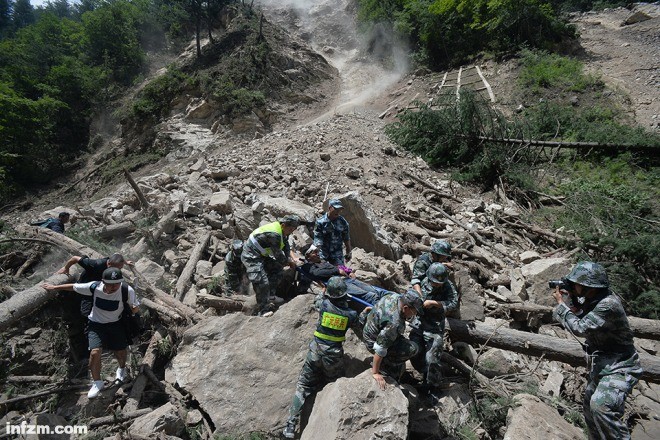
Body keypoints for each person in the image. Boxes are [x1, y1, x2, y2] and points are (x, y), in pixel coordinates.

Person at [552, 261, 642, 440]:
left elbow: (580, 328)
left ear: (588, 287)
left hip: (620, 367)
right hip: (602, 366)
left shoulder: (607, 304)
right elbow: (581, 317)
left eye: (576, 284)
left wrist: (562, 305)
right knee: (590, 411)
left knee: (601, 406)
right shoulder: (594, 300)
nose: (573, 286)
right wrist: (572, 303)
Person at [42, 267, 140, 399]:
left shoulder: (126, 290)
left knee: (120, 351)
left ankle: (121, 369)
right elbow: (74, 287)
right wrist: (54, 287)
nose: (113, 287)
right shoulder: (95, 287)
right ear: (103, 282)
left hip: (116, 324)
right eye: (110, 284)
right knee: (94, 353)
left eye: (116, 283)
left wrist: (134, 309)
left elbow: (135, 307)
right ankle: (97, 382)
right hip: (96, 324)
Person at [282, 277, 361, 439]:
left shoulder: (323, 305)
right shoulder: (350, 314)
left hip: (315, 352)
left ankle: (290, 425)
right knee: (333, 386)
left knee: (303, 386)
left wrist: (325, 293)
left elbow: (318, 299)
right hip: (333, 358)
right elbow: (358, 325)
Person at [55, 253, 132, 362]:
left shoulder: (115, 263)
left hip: (102, 291)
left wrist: (126, 262)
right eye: (116, 268)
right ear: (109, 264)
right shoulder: (95, 264)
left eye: (120, 268)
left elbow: (118, 257)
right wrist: (66, 268)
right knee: (86, 316)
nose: (118, 271)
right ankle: (88, 346)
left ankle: (106, 341)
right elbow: (75, 258)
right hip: (87, 291)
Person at [410, 263, 458, 397]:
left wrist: (434, 303)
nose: (436, 285)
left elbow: (453, 303)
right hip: (419, 323)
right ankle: (421, 374)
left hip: (435, 327)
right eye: (434, 282)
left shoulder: (448, 286)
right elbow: (412, 292)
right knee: (414, 350)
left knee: (432, 358)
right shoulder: (424, 282)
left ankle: (432, 388)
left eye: (438, 283)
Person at [362, 290, 423, 390]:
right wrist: (375, 372)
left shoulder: (394, 297)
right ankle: (387, 366)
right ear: (405, 308)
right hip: (372, 341)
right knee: (413, 349)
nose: (414, 314)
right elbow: (380, 348)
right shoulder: (394, 323)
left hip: (370, 329)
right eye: (414, 312)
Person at [241, 215, 302, 315]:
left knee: (277, 269)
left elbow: (285, 245)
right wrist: (289, 262)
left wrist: (289, 258)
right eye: (290, 229)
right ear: (283, 225)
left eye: (293, 229)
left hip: (261, 254)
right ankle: (263, 310)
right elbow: (278, 255)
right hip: (251, 254)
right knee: (262, 282)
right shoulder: (274, 234)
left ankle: (271, 296)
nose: (291, 231)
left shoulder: (282, 231)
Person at [313, 199, 351, 266]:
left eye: (340, 209)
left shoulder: (343, 222)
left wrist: (348, 252)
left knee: (340, 271)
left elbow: (346, 238)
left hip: (337, 253)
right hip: (323, 251)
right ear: (330, 208)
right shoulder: (320, 222)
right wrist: (316, 252)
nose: (338, 212)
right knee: (321, 270)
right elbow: (318, 239)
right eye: (336, 209)